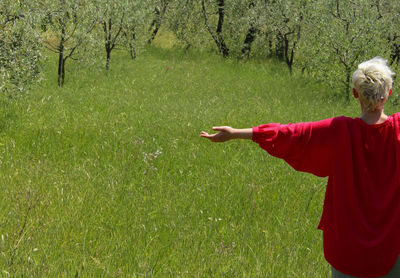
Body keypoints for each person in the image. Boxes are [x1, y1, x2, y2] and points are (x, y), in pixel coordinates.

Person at [200, 57, 400, 278]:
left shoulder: (339, 130)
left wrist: (236, 133)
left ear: (355, 93)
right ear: (389, 93)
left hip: (347, 249)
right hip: (394, 248)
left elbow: (291, 134)